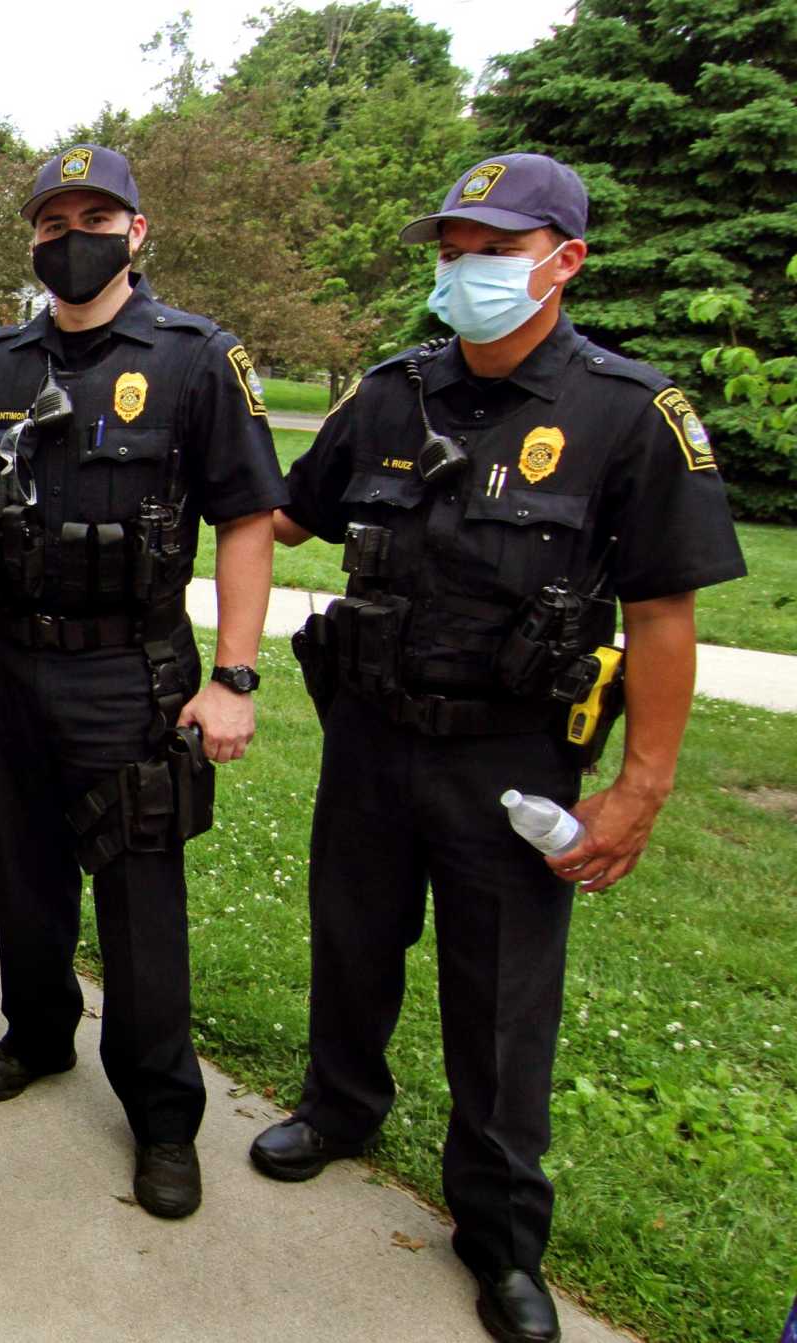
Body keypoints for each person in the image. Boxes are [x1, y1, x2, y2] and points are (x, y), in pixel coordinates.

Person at [251, 153, 746, 1343]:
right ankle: (337, 1108)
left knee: (500, 1000)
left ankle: (498, 1232)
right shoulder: (389, 394)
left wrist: (640, 785)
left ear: (562, 260)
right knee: (350, 944)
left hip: (511, 757)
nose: (464, 268)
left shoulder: (628, 413)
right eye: (452, 248)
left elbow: (662, 613)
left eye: (495, 248)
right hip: (369, 732)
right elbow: (281, 515)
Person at [0, 145, 286, 1218]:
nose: (72, 238)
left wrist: (233, 676)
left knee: (139, 900)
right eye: (52, 223)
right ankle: (37, 1033)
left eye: (95, 219)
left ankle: (161, 1113)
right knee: (26, 869)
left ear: (136, 232)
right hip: (10, 665)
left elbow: (247, 521)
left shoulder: (195, 359)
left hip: (128, 674)